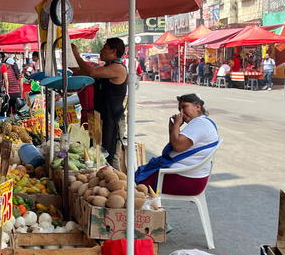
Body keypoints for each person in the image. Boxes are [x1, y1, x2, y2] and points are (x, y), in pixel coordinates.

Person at [135, 93, 219, 196]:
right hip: (188, 176)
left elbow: (178, 146)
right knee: (139, 175)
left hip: (187, 179)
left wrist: (176, 125)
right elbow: (176, 143)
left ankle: (143, 210)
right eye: (180, 109)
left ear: (197, 107)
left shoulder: (200, 123)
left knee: (137, 183)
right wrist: (172, 128)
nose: (182, 113)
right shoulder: (202, 123)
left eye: (184, 107)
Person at [71, 37, 128, 167]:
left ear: (113, 51)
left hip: (112, 120)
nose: (101, 51)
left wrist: (76, 55)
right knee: (95, 152)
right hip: (97, 117)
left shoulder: (118, 68)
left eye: (104, 48)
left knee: (109, 155)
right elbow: (79, 71)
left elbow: (91, 71)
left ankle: (117, 184)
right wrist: (69, 55)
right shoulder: (105, 68)